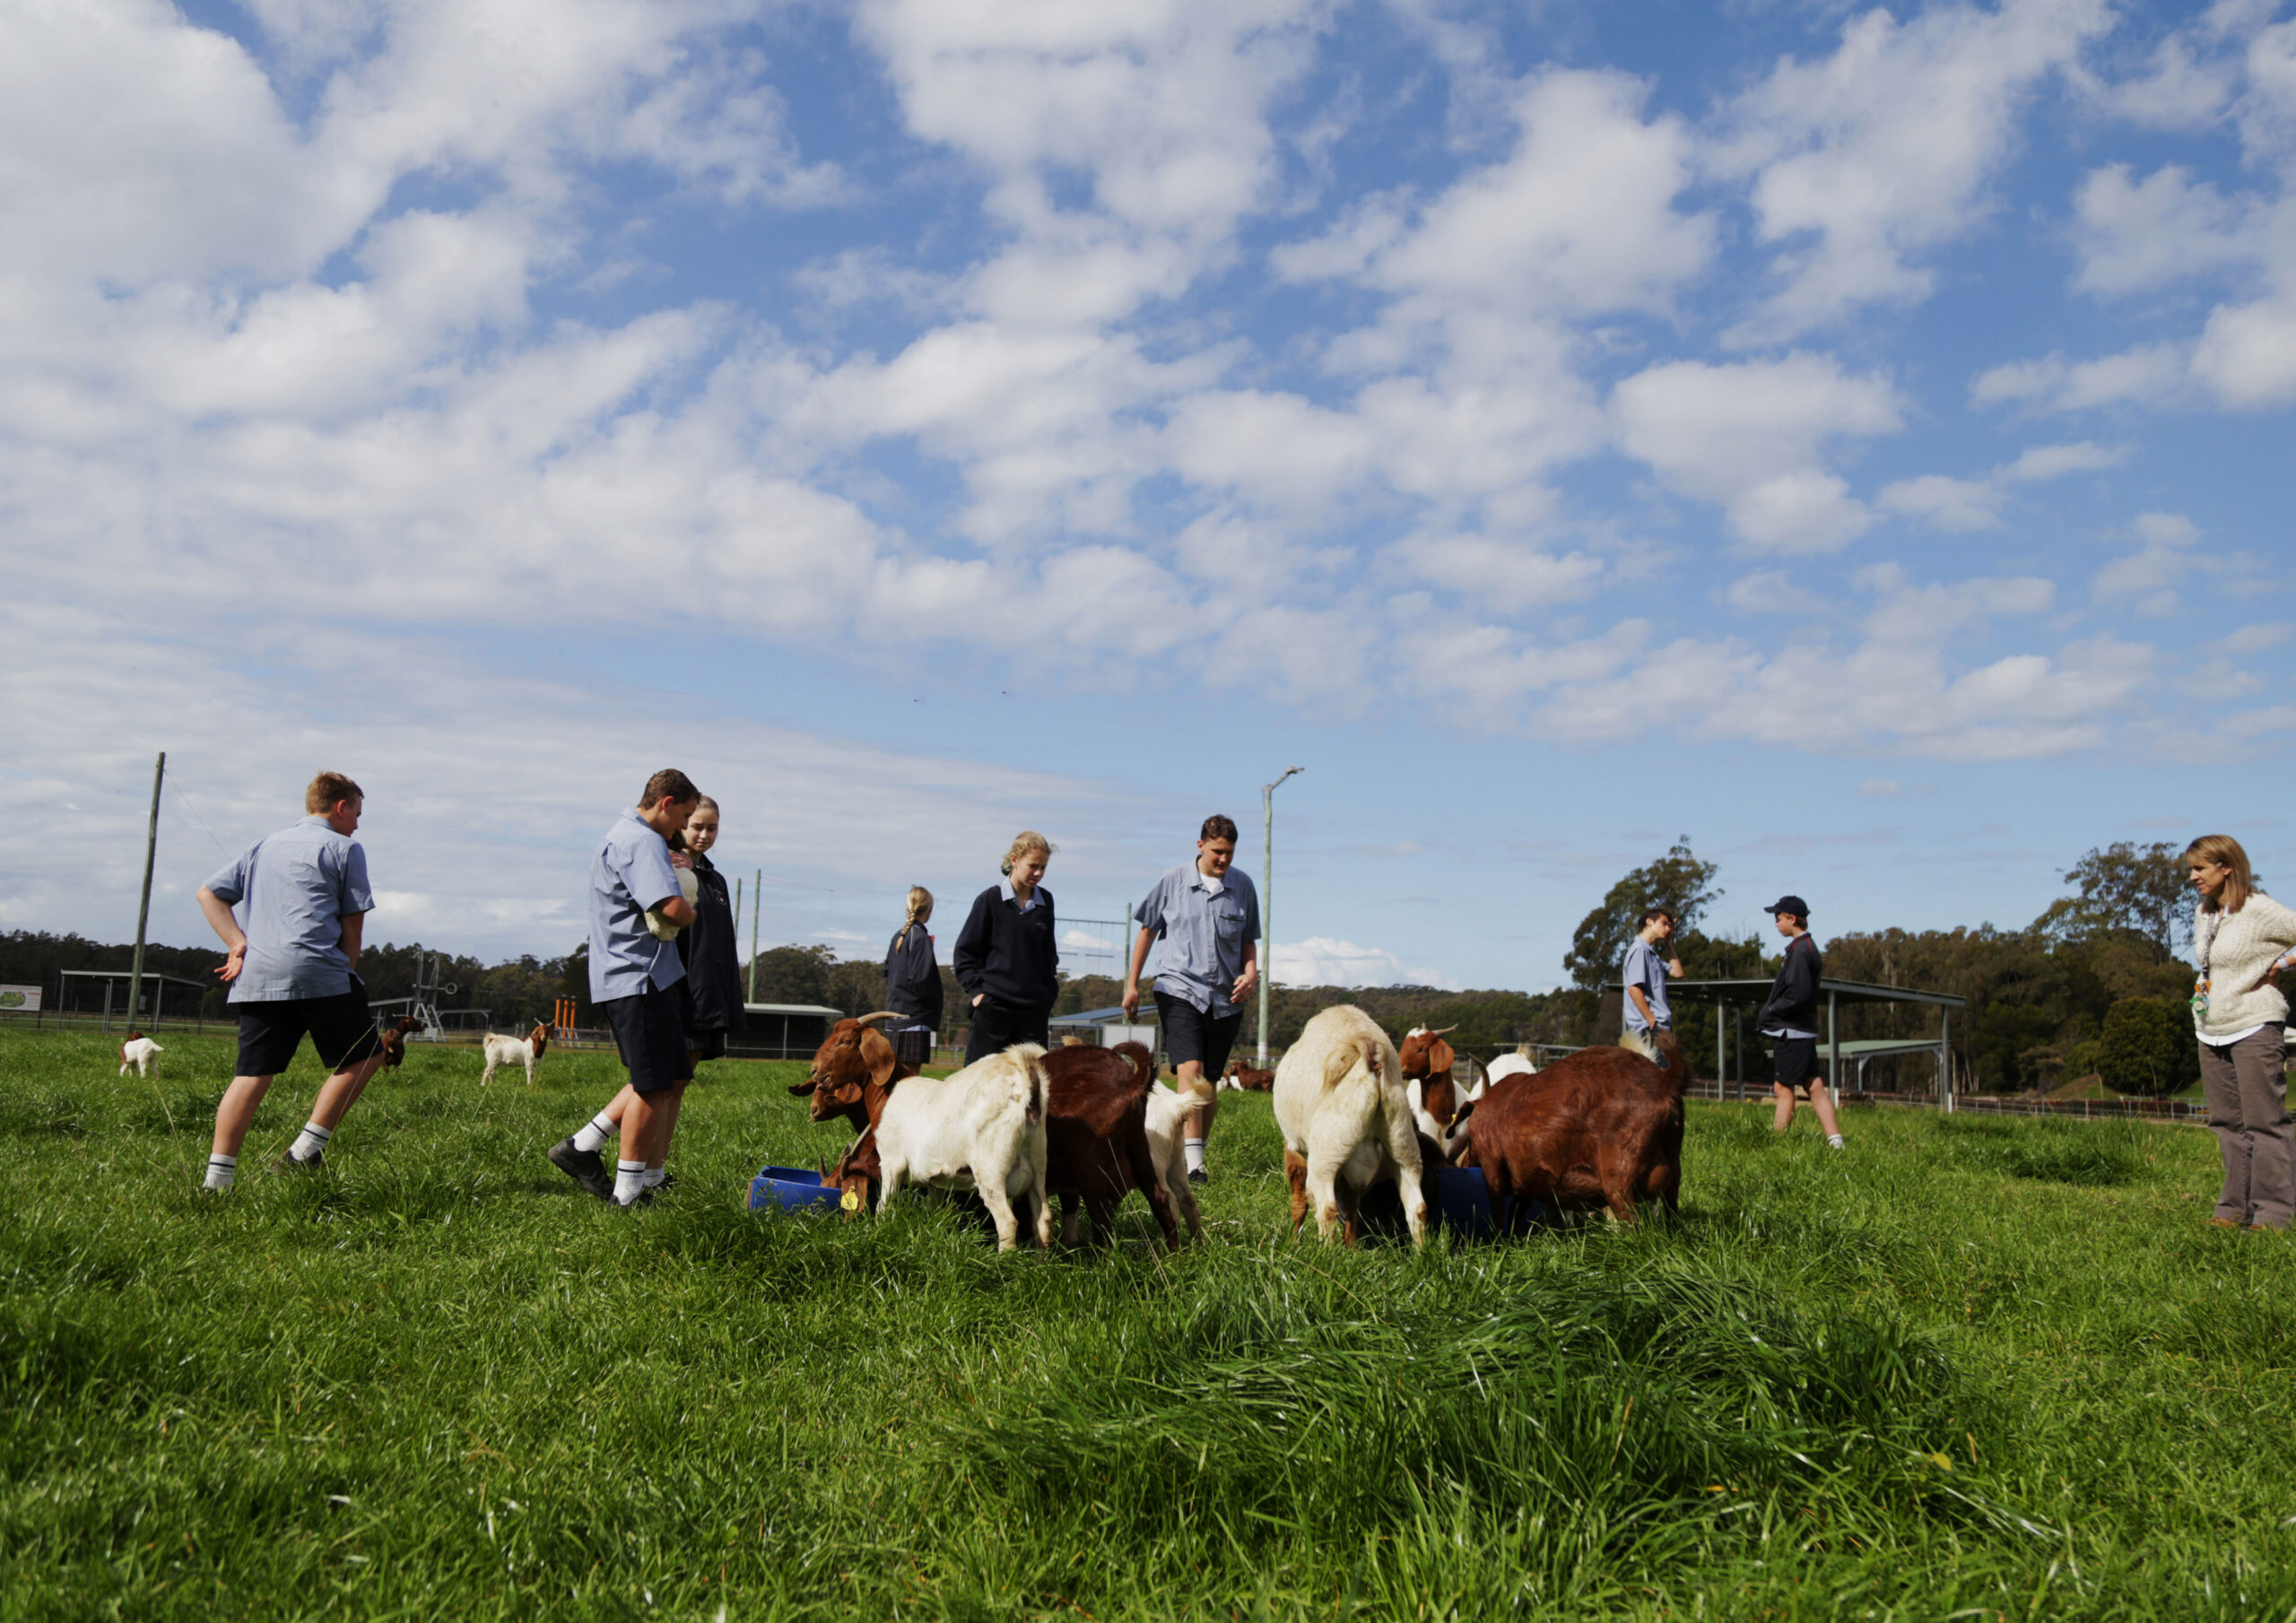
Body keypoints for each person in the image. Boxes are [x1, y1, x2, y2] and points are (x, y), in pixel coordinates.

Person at [194, 771, 388, 1190]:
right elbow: (352, 927)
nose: (357, 822)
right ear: (340, 807)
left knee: (251, 1074)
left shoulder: (265, 845)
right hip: (320, 972)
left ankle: (216, 1182)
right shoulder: (346, 849)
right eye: (357, 812)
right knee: (367, 1055)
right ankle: (304, 1153)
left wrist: (236, 943)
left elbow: (209, 893)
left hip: (259, 975)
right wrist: (347, 972)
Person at [556, 797, 746, 1195]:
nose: (703, 835)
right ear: (679, 822)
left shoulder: (715, 879)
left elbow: (720, 944)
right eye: (695, 825)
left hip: (707, 995)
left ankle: (647, 1173)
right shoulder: (665, 865)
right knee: (660, 1082)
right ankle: (629, 1172)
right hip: (673, 989)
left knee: (673, 1084)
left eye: (712, 828)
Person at [546, 770, 700, 1206]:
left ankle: (582, 1148)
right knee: (652, 1086)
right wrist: (694, 910)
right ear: (666, 803)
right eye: (684, 817)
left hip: (642, 976)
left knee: (662, 1077)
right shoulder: (642, 841)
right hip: (638, 976)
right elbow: (669, 908)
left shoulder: (626, 835)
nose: (682, 829)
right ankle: (628, 1195)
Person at [1123, 815, 1260, 1185]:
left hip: (1225, 998)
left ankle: (1192, 1152)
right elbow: (1147, 931)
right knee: (1191, 1070)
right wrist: (1131, 984)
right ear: (1200, 846)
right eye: (1217, 852)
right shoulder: (1172, 881)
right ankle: (1193, 1167)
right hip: (1178, 987)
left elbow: (1249, 942)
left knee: (1210, 1082)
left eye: (1229, 853)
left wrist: (1251, 974)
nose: (1223, 860)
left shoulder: (1244, 886)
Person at [2184, 835, 2296, 1231]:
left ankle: (2275, 1214)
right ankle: (2233, 1209)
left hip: (2254, 1025)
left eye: (2200, 868)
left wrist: (2281, 964)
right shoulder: (2204, 911)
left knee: (2265, 1122)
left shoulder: (2260, 909)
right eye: (2191, 869)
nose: (2193, 876)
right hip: (2211, 1029)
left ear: (2226, 867)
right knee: (2226, 1123)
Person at [952, 832, 1059, 1064]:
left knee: (1033, 1089)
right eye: (1033, 866)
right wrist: (979, 995)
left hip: (1033, 1015)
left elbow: (1049, 956)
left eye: (1043, 867)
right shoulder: (989, 900)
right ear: (1014, 860)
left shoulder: (1046, 903)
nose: (1038, 873)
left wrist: (1047, 996)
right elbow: (964, 953)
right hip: (993, 1012)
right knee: (980, 1086)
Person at [1758, 894, 1843, 1148]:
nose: (1776, 924)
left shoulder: (1799, 951)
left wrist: (1771, 1010)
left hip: (1791, 1031)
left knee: (1783, 1088)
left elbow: (1797, 994)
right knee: (1814, 1086)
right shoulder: (1806, 947)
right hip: (1802, 1030)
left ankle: (1778, 1143)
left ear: (1792, 919)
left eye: (1778, 918)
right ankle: (1836, 1141)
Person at [883, 885, 943, 1070]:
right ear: (929, 910)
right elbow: (922, 980)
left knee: (893, 1081)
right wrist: (935, 1002)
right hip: (914, 1021)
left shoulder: (898, 936)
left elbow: (887, 972)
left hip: (894, 1020)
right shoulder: (920, 938)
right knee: (909, 1083)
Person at [1622, 907, 1683, 1043]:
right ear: (1649, 922)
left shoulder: (1652, 954)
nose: (1668, 928)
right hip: (1649, 1030)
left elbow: (1678, 973)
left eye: (1669, 925)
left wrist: (1668, 943)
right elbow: (1634, 989)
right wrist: (1652, 1021)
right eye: (1664, 923)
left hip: (1660, 1028)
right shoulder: (1639, 951)